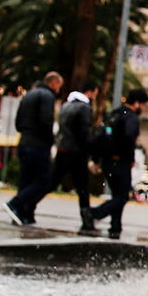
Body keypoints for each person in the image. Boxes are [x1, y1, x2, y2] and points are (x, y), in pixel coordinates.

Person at [89, 87, 148, 240]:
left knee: (117, 194)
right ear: (136, 103)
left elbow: (103, 135)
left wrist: (97, 158)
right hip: (120, 161)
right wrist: (130, 158)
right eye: (142, 105)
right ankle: (94, 213)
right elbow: (129, 139)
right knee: (122, 196)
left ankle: (115, 226)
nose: (143, 108)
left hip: (108, 160)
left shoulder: (115, 113)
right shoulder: (131, 118)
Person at [5, 71, 62, 225]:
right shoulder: (47, 96)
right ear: (54, 83)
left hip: (24, 141)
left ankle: (22, 214)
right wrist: (50, 140)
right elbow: (46, 120)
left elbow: (18, 121)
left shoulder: (29, 94)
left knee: (26, 180)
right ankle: (15, 204)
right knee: (43, 181)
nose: (59, 90)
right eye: (59, 86)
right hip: (38, 144)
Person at [52, 80, 100, 235]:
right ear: (91, 92)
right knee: (82, 187)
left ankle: (25, 205)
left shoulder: (67, 105)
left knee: (52, 181)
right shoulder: (84, 108)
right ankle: (87, 220)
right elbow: (84, 133)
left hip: (63, 148)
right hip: (76, 152)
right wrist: (91, 152)